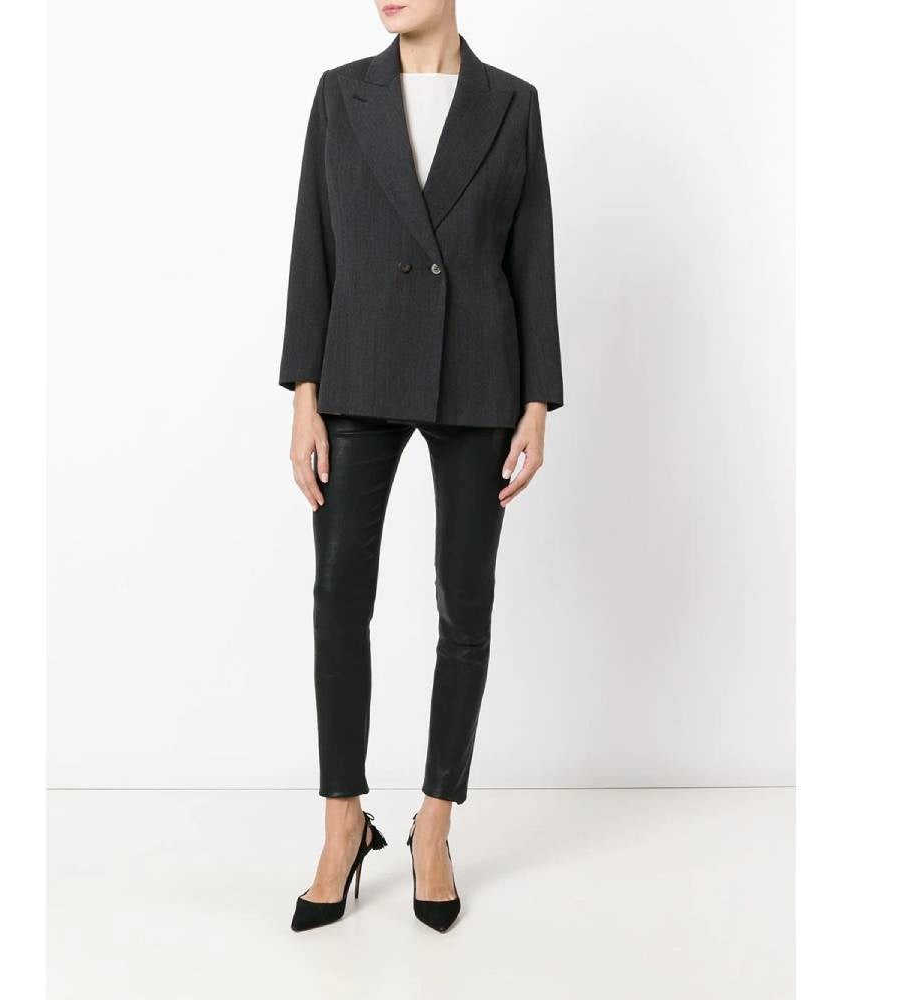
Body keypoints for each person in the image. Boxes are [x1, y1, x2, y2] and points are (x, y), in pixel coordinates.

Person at [280, 0, 563, 933]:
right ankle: (342, 825)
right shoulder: (341, 95)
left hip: (479, 372)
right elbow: (313, 245)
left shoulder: (511, 103)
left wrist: (537, 400)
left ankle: (434, 827)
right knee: (337, 598)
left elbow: (531, 254)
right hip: (358, 367)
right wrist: (305, 395)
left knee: (464, 606)